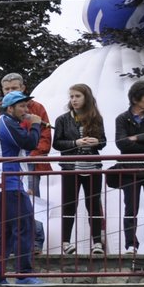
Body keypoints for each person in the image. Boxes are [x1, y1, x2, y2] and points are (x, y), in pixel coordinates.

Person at [0, 90, 44, 284]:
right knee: (24, 226)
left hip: (0, 185)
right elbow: (30, 142)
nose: (26, 110)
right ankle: (23, 273)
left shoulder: (5, 123)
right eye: (22, 106)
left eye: (26, 106)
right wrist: (36, 123)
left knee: (5, 232)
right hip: (8, 183)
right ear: (9, 108)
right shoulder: (6, 123)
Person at [53, 84, 107, 255]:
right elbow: (57, 143)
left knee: (93, 204)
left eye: (77, 96)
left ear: (86, 98)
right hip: (70, 167)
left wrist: (96, 142)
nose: (74, 100)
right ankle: (66, 242)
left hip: (93, 166)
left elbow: (104, 141)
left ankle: (97, 243)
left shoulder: (96, 117)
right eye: (71, 97)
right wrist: (75, 143)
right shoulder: (62, 119)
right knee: (70, 204)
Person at [113, 80, 144, 257]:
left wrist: (135, 138)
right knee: (130, 208)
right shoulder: (122, 118)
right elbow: (121, 144)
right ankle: (131, 244)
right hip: (130, 169)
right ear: (136, 98)